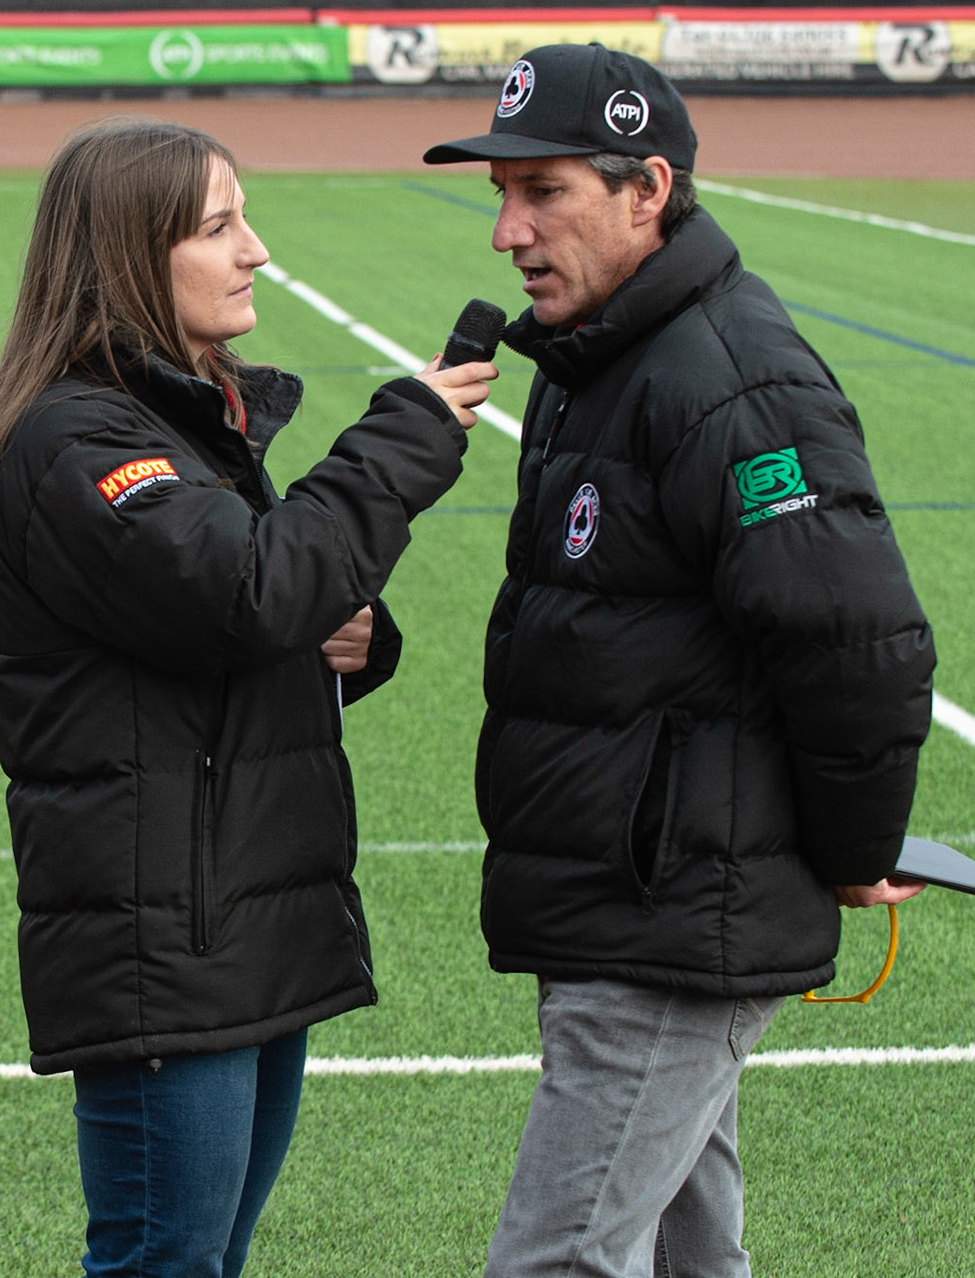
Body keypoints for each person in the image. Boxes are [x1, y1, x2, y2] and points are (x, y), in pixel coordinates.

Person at [423, 43, 936, 1278]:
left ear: (647, 189)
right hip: (628, 896)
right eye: (502, 193)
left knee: (558, 1262)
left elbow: (854, 638)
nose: (509, 231)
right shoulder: (598, 355)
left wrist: (860, 850)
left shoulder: (727, 376)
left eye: (543, 191)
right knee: (685, 1261)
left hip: (671, 914)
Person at [0, 117, 494, 1277]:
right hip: (171, 944)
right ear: (128, 258)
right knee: (168, 1265)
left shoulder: (180, 422)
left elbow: (233, 621)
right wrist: (400, 437)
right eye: (218, 227)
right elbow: (247, 592)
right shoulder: (80, 440)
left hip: (237, 922)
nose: (255, 250)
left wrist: (339, 634)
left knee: (203, 1260)